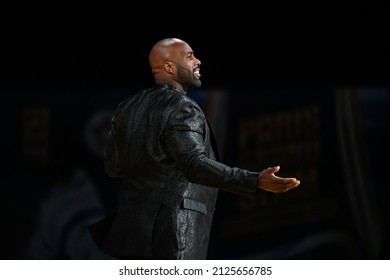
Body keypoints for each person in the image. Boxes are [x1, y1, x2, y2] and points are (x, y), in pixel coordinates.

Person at [88, 37, 301, 260]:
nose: (198, 61)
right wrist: (254, 180)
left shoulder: (127, 108)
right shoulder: (183, 107)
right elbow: (193, 165)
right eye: (190, 57)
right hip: (173, 235)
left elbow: (113, 167)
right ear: (169, 67)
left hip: (129, 236)